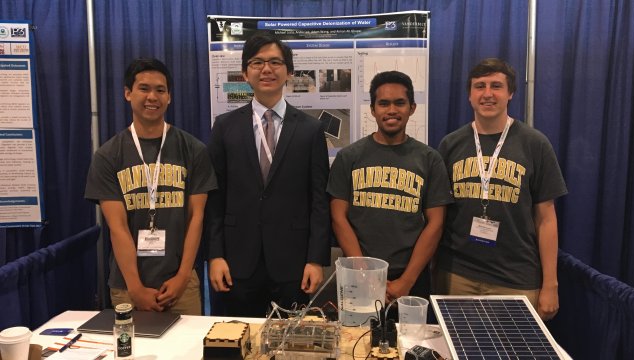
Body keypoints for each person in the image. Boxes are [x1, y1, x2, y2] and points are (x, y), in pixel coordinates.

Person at [205, 32, 331, 317]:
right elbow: (215, 198)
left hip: (293, 264)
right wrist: (215, 255)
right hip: (236, 263)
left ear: (289, 72)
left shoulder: (311, 130)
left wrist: (316, 260)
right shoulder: (225, 127)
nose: (266, 69)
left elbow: (319, 200)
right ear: (245, 73)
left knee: (290, 346)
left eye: (275, 62)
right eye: (257, 62)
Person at [435, 58, 568, 321]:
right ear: (470, 95)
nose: (487, 94)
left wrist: (550, 284)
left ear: (510, 93)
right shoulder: (450, 144)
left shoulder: (535, 144)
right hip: (456, 276)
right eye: (479, 86)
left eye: (496, 86)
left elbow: (546, 218)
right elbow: (438, 215)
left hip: (516, 278)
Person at [85, 58, 217, 315]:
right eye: (144, 88)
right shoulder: (108, 155)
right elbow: (117, 227)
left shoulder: (193, 149)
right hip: (127, 286)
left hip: (181, 285)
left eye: (160, 90)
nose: (152, 97)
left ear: (169, 97)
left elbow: (196, 218)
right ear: (127, 93)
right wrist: (135, 288)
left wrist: (182, 277)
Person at [327, 71, 453, 304]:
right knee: (354, 339)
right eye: (383, 103)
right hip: (358, 276)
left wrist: (407, 281)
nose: (392, 110)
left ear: (412, 108)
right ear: (373, 109)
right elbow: (338, 218)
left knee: (411, 340)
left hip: (411, 279)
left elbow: (436, 223)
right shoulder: (348, 157)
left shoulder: (430, 159)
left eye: (399, 103)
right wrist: (364, 273)